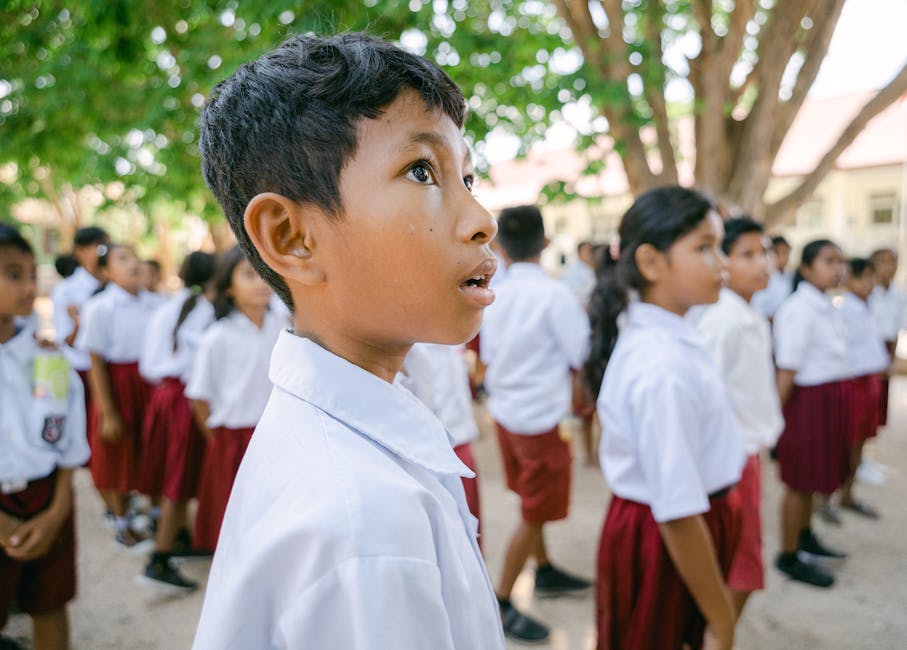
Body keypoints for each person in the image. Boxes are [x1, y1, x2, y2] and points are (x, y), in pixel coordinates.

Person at [191, 33, 504, 649]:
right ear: (291, 238)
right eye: (422, 170)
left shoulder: (363, 434)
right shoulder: (367, 528)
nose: (482, 219)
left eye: (467, 176)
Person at [587, 186, 744, 650]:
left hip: (681, 529)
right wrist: (723, 619)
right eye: (704, 248)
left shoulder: (672, 337)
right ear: (652, 264)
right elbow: (677, 511)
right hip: (668, 539)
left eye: (719, 246)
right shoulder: (661, 368)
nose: (724, 263)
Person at [480, 205, 592, 643]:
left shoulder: (493, 292)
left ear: (499, 246)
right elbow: (581, 356)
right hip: (541, 419)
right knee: (534, 509)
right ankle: (503, 599)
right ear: (545, 244)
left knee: (531, 500)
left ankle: (543, 570)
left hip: (507, 413)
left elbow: (486, 356)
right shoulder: (554, 294)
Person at [1, 224, 89, 650]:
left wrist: (57, 511)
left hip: (47, 496)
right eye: (12, 274)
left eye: (30, 273)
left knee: (49, 604)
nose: (29, 285)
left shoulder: (48, 359)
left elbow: (66, 439)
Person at [690, 217, 784, 619]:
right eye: (748, 254)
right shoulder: (722, 322)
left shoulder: (748, 315)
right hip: (730, 462)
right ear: (721, 261)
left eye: (763, 252)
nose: (762, 262)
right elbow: (701, 401)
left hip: (747, 455)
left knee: (742, 564)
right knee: (740, 567)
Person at [184, 247, 284, 553]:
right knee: (235, 525)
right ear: (228, 286)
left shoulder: (284, 326)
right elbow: (199, 398)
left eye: (264, 273)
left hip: (276, 437)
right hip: (232, 440)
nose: (261, 282)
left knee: (275, 518)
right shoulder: (216, 338)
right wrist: (217, 438)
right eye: (249, 275)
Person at [773, 239, 850, 588]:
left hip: (826, 399)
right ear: (806, 268)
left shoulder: (824, 304)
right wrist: (776, 423)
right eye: (828, 261)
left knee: (812, 479)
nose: (838, 268)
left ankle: (804, 537)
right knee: (798, 483)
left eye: (840, 261)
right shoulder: (799, 309)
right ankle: (788, 555)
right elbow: (786, 369)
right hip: (805, 402)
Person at [137, 251, 216, 591]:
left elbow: (147, 362)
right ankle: (160, 557)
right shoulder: (205, 313)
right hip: (186, 398)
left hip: (162, 396)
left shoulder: (167, 306)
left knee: (174, 473)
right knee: (179, 479)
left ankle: (179, 538)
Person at [76, 243, 153, 548]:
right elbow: (96, 363)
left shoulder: (154, 303)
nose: (133, 263)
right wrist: (108, 411)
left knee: (148, 450)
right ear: (106, 272)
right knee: (115, 456)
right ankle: (122, 523)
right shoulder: (100, 308)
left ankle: (152, 514)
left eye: (134, 256)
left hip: (147, 385)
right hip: (117, 386)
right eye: (123, 259)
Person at [399, 343, 483, 532]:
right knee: (454, 529)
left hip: (461, 439)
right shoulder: (414, 349)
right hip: (438, 450)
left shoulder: (453, 339)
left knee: (470, 527)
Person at [837, 258, 890, 518]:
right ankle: (825, 500)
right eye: (863, 277)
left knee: (860, 444)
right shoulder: (844, 310)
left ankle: (847, 494)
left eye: (872, 277)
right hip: (853, 384)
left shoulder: (868, 306)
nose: (869, 283)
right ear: (849, 279)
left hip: (870, 382)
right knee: (845, 443)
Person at [50, 226, 109, 402]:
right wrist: (79, 324)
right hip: (82, 369)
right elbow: (66, 340)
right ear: (80, 251)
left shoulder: (114, 286)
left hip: (111, 368)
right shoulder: (66, 290)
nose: (106, 253)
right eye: (100, 248)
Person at [751, 235, 793, 319]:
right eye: (782, 253)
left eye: (787, 253)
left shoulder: (790, 276)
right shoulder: (765, 278)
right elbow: (758, 309)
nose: (786, 257)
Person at [561, 240, 596, 307]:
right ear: (579, 253)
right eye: (587, 251)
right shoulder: (571, 272)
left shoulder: (591, 269)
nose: (591, 254)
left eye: (592, 251)